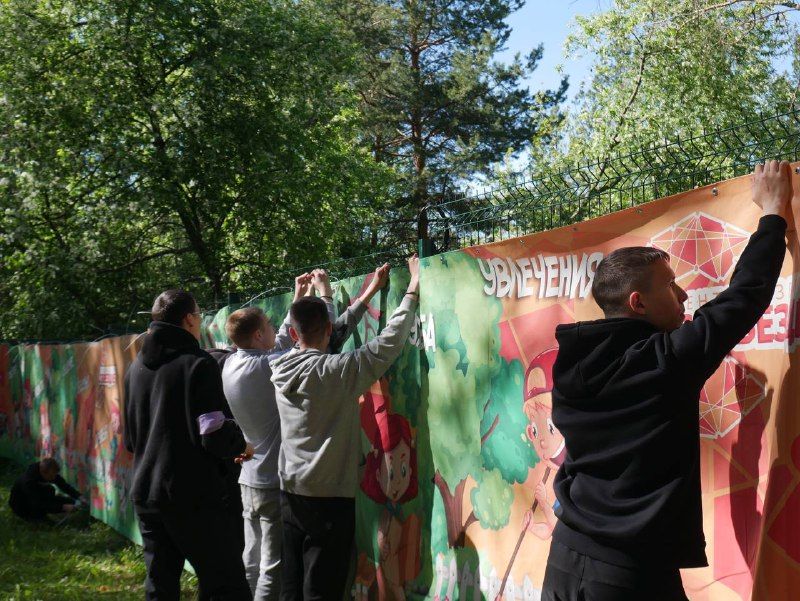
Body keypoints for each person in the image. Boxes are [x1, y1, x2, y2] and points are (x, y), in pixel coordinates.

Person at [543, 160, 796, 601]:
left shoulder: (572, 364)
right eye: (671, 284)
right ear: (638, 302)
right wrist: (773, 212)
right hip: (628, 572)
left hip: (565, 558)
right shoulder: (663, 362)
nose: (683, 295)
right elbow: (743, 299)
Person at [221, 266, 390, 600]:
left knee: (254, 563)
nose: (279, 329)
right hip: (277, 483)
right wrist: (326, 297)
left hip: (248, 479)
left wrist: (300, 297)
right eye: (269, 326)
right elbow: (326, 338)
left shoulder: (234, 363)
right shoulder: (275, 364)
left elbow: (291, 337)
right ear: (258, 337)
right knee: (275, 570)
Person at [271, 255, 420, 601]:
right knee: (322, 588)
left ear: (293, 334)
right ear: (326, 329)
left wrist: (368, 293)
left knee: (292, 583)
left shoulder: (281, 366)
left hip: (290, 492)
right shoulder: (334, 373)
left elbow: (328, 336)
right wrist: (412, 288)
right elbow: (386, 345)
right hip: (328, 499)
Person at [123, 289, 254, 601]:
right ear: (189, 319)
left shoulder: (135, 369)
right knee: (226, 585)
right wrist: (241, 445)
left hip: (147, 494)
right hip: (192, 497)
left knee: (161, 586)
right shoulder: (198, 363)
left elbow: (130, 440)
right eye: (199, 314)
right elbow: (213, 433)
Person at [8, 457, 83, 521]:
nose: (54, 478)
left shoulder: (47, 472)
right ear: (43, 473)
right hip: (22, 505)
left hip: (38, 498)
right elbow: (38, 503)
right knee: (45, 518)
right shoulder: (29, 482)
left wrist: (79, 496)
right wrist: (62, 507)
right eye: (51, 476)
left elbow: (63, 485)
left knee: (70, 501)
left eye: (55, 475)